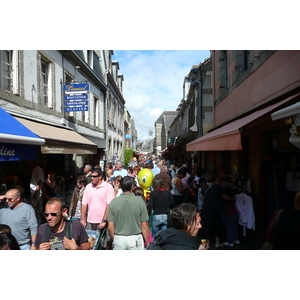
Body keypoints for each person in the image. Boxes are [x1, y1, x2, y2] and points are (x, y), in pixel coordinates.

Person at [107, 176, 150, 250]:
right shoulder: (140, 202)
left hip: (119, 238)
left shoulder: (114, 202)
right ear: (132, 187)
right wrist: (148, 242)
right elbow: (144, 225)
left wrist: (115, 239)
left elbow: (110, 227)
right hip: (135, 239)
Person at [198, 171, 225, 248]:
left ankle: (206, 244)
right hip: (216, 209)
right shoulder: (218, 187)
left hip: (206, 209)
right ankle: (217, 242)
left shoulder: (204, 187)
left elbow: (203, 196)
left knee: (206, 227)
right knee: (217, 226)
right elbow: (224, 196)